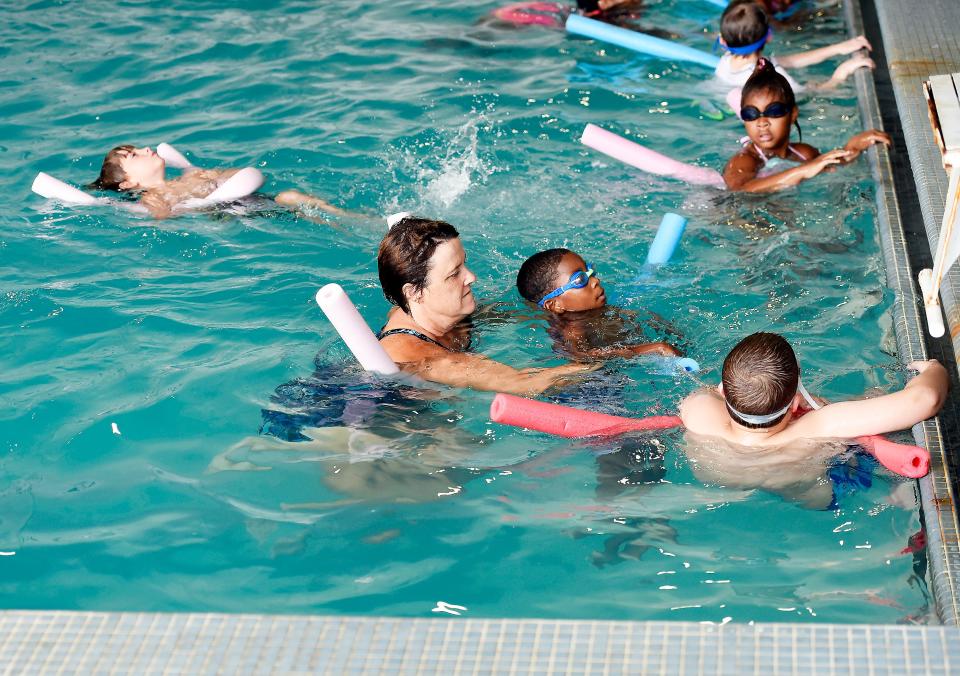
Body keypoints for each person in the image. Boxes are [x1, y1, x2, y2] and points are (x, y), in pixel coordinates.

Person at [679, 332, 947, 508]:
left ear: (724, 392)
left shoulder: (698, 411)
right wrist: (933, 368)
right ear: (795, 403)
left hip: (723, 481)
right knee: (870, 397)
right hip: (821, 497)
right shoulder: (820, 425)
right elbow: (926, 399)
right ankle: (894, 494)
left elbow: (709, 393)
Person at [377, 216, 597, 395]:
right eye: (454, 274)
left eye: (464, 263)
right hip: (395, 422)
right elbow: (525, 383)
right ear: (414, 292)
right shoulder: (422, 357)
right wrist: (615, 356)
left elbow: (510, 312)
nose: (471, 277)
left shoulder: (438, 312)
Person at [723, 59, 891, 192]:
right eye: (751, 114)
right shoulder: (744, 160)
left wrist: (853, 147)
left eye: (774, 111)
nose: (762, 122)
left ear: (793, 114)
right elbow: (740, 190)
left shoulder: (803, 153)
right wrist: (803, 171)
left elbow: (830, 166)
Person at [91, 144, 345, 219]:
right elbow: (162, 219)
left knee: (291, 196)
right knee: (292, 201)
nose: (146, 148)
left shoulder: (191, 175)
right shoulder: (153, 198)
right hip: (229, 217)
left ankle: (355, 221)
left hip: (253, 203)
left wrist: (204, 173)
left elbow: (244, 174)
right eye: (134, 155)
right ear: (128, 183)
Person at [515, 247, 681, 360]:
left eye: (590, 271)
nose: (595, 280)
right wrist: (654, 348)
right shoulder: (572, 332)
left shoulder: (596, 310)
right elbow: (583, 358)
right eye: (580, 279)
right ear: (555, 304)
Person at [714, 0, 873, 92]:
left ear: (723, 41)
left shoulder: (725, 61)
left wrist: (837, 48)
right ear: (769, 37)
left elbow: (790, 61)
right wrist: (842, 72)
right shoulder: (775, 78)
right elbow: (813, 94)